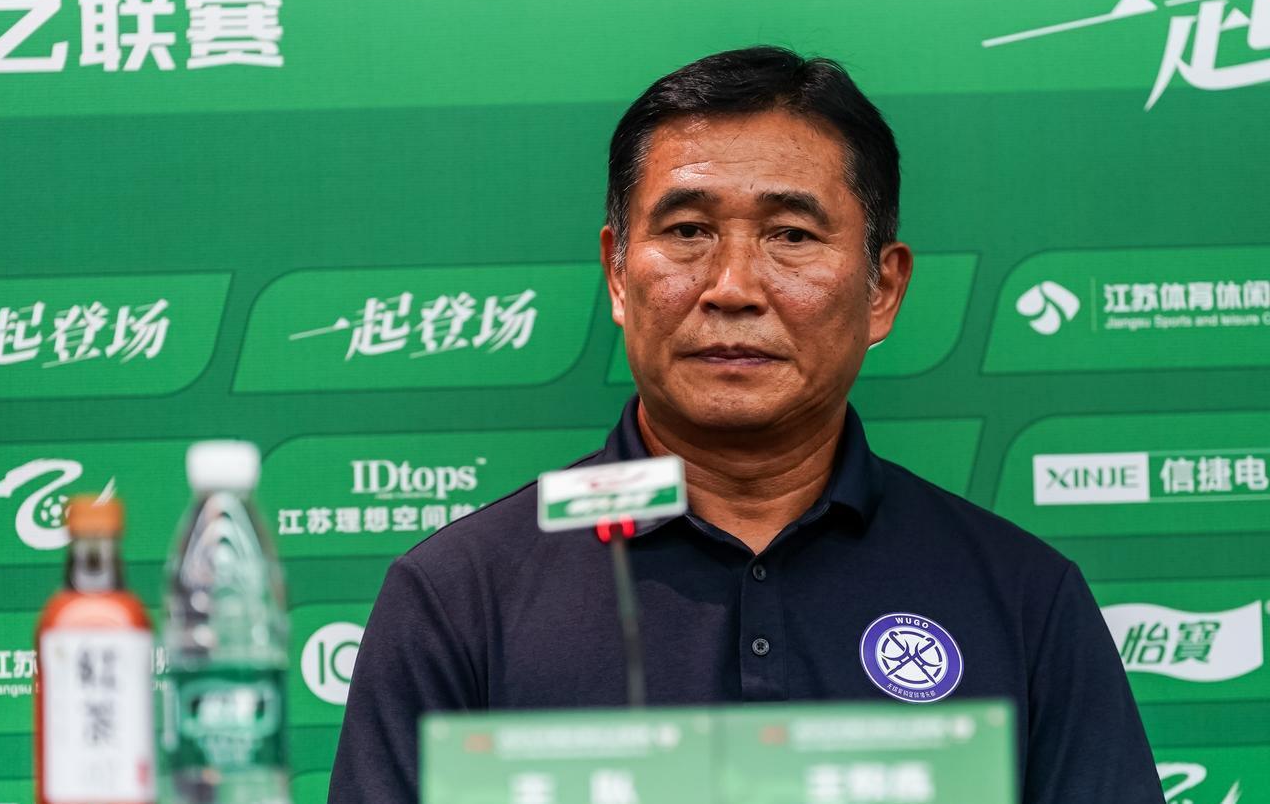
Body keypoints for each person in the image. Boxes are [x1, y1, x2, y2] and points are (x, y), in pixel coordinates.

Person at [328, 46, 1165, 803]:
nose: (732, 286)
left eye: (791, 235)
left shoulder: (1023, 597)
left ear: (882, 289)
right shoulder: (459, 595)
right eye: (688, 231)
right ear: (617, 274)